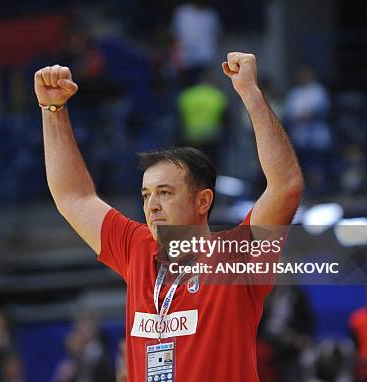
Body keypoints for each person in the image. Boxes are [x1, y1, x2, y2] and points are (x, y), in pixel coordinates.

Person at [34, 52, 303, 381]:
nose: (152, 205)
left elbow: (286, 186)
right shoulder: (137, 247)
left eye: (165, 193)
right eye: (146, 195)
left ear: (203, 200)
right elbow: (73, 196)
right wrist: (53, 110)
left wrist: (250, 93)